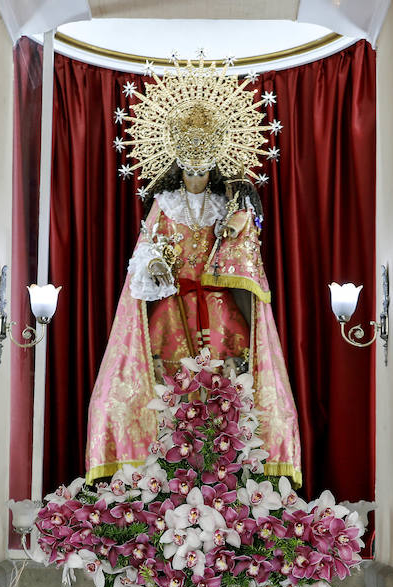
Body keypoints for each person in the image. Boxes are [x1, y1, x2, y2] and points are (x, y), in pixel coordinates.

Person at [86, 60, 301, 484]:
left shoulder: (232, 204)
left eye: (204, 159)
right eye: (189, 159)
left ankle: (230, 476)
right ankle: (169, 472)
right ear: (176, 157)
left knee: (227, 390)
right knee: (171, 392)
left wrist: (239, 226)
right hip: (173, 308)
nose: (196, 169)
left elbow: (247, 254)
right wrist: (153, 262)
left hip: (221, 312)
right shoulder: (164, 205)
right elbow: (145, 248)